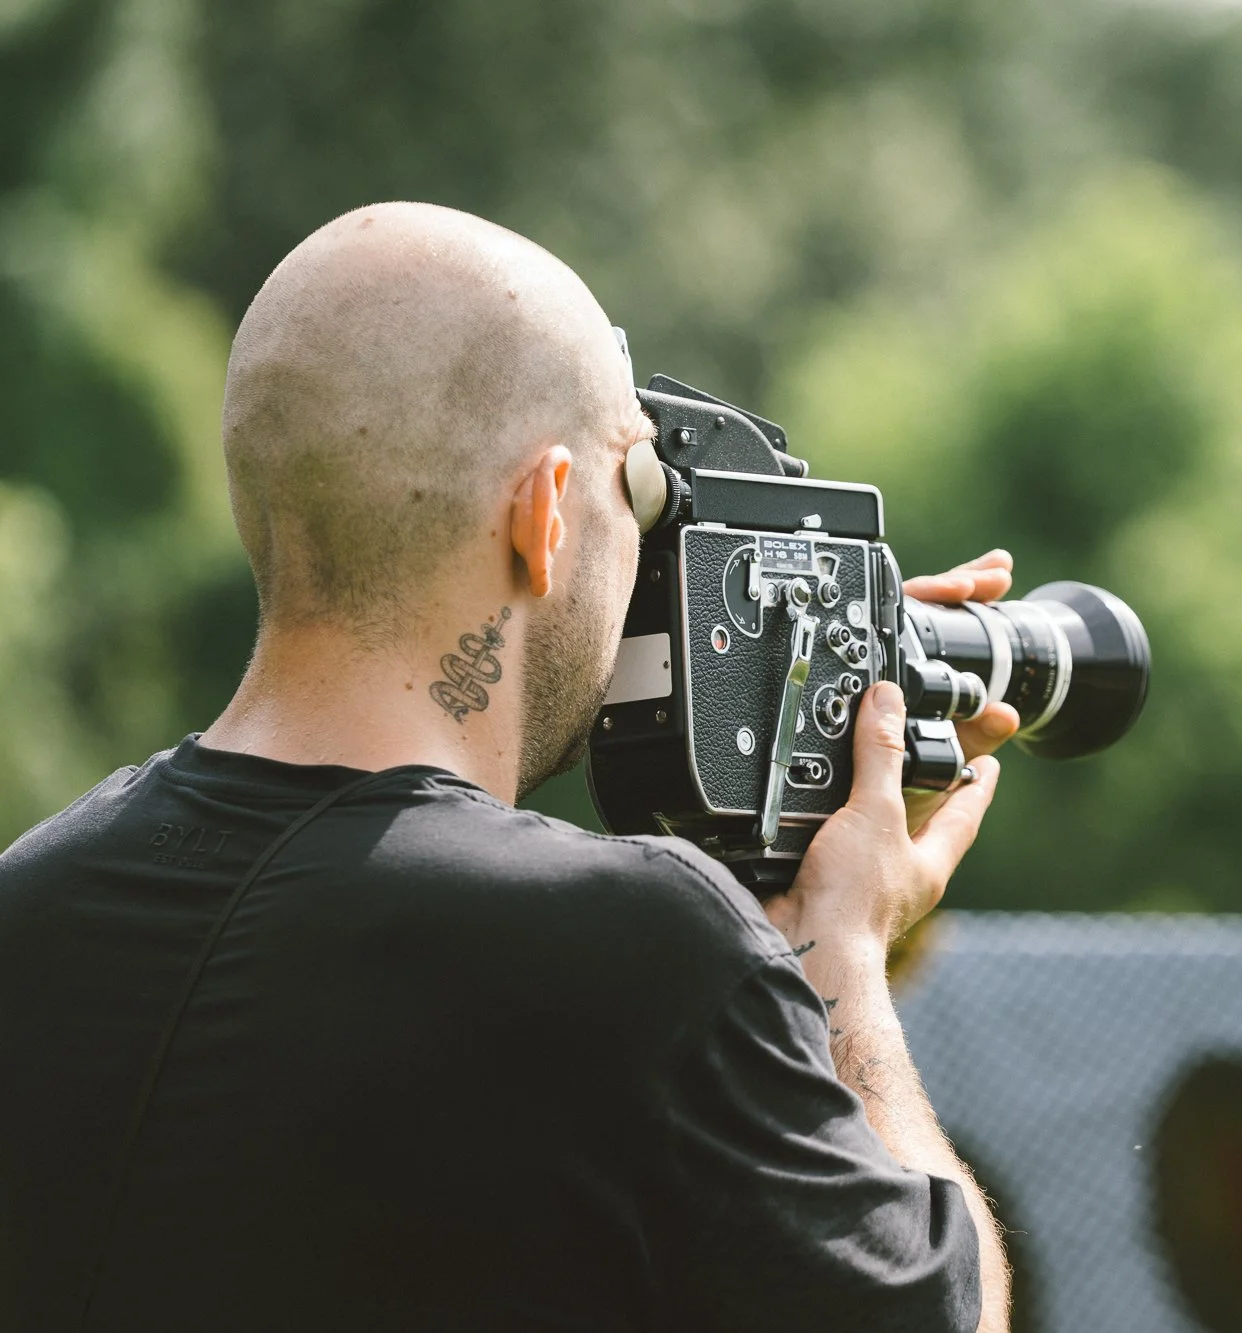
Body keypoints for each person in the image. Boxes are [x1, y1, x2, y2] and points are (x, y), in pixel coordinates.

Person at [0, 202, 1019, 1332]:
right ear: (542, 513)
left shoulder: (32, 901)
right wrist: (845, 950)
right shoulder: (635, 954)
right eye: (636, 497)